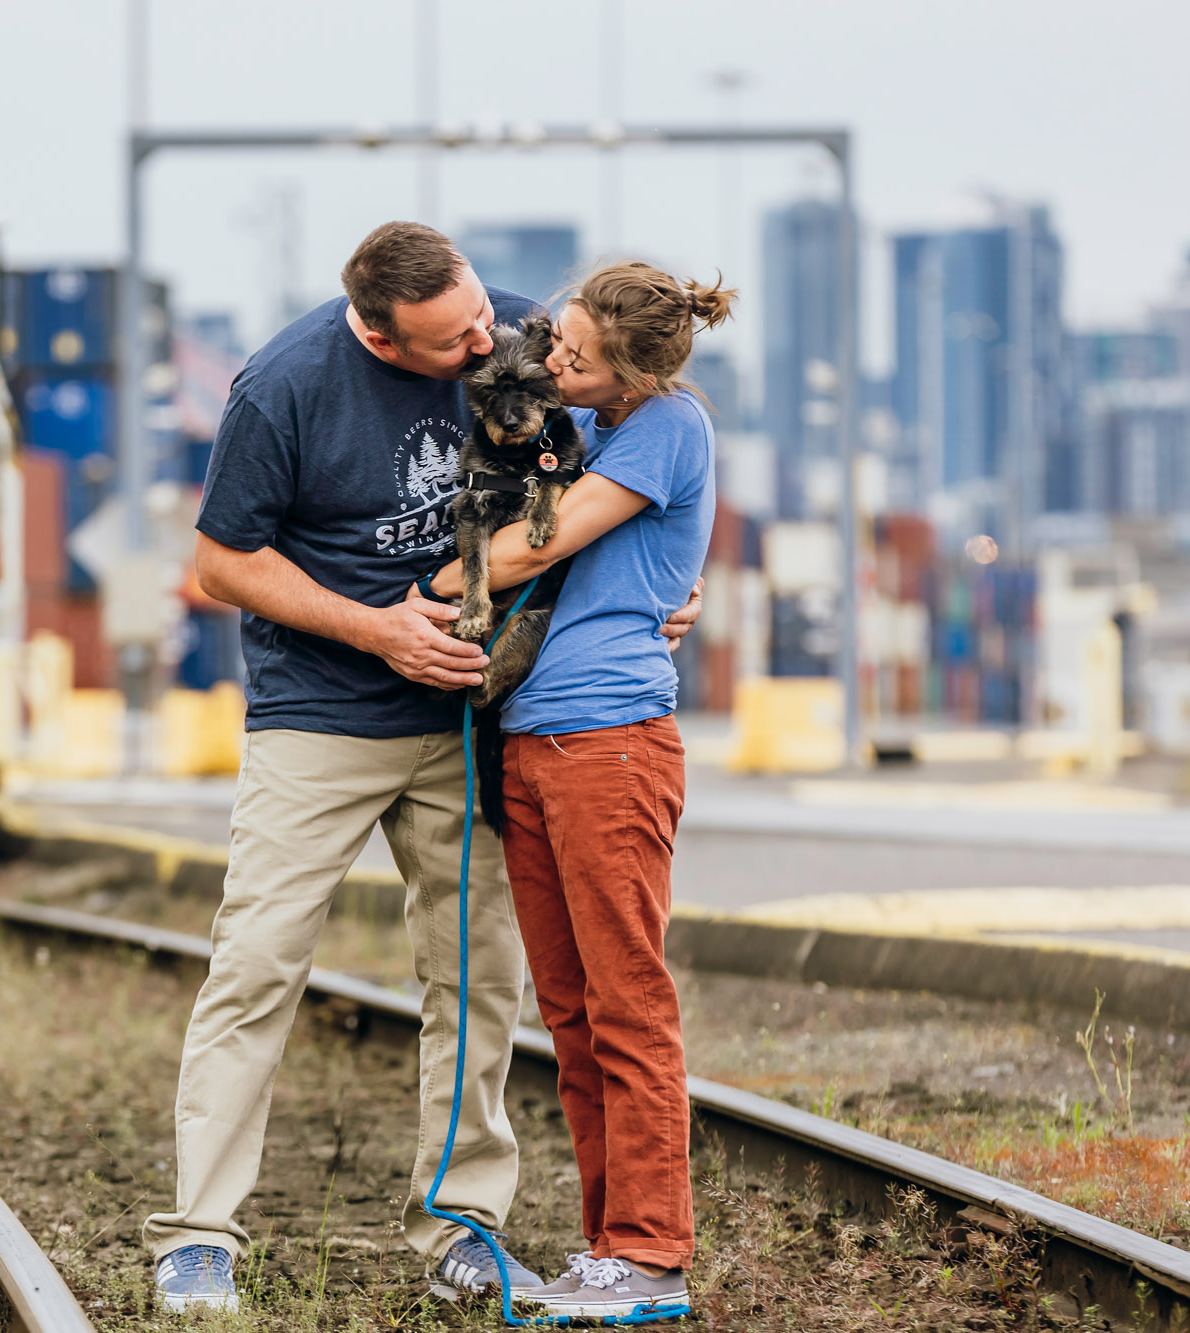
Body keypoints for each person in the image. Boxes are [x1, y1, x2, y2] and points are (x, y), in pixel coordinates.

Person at [144, 223, 703, 1313]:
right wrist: (374, 630)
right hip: (322, 713)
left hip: (471, 715)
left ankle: (459, 1222)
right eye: (455, 341)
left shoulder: (514, 332)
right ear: (378, 334)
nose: (491, 343)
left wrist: (663, 588)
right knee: (256, 960)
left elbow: (628, 466)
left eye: (486, 320)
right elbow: (218, 561)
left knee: (476, 975)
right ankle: (198, 1232)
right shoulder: (283, 387)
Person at [420, 260, 733, 1321]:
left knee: (625, 1002)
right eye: (557, 343)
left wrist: (436, 586)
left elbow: (528, 549)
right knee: (567, 1009)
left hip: (609, 743)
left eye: (576, 356)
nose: (554, 363)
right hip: (532, 746)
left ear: (632, 368)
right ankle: (608, 1249)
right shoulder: (591, 424)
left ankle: (647, 1252)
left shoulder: (665, 427)